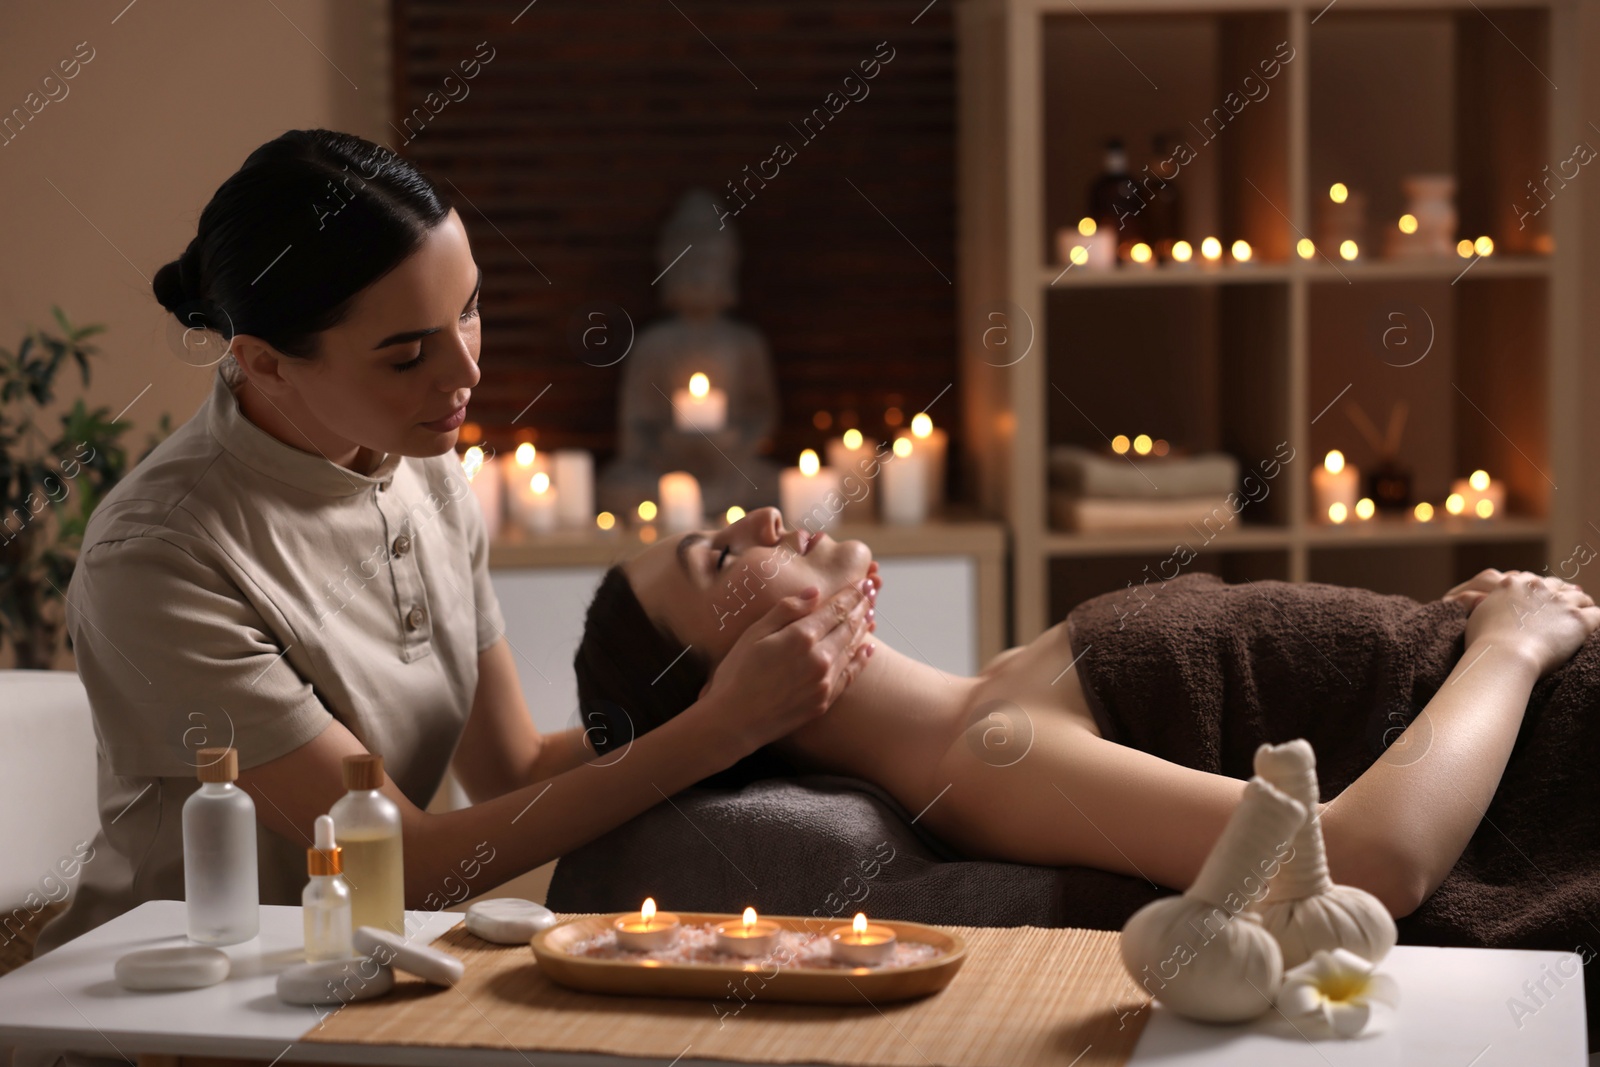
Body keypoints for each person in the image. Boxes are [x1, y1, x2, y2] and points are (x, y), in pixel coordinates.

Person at [34, 130, 877, 976]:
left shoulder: (422, 472)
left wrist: (740, 685)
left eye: (470, 308)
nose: (466, 368)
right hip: (171, 1009)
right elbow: (408, 862)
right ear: (264, 364)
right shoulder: (161, 558)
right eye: (407, 354)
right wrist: (718, 729)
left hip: (350, 979)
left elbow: (510, 767)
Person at [574, 504, 1600, 919]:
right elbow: (1359, 863)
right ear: (732, 681)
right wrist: (1509, 646)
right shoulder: (989, 755)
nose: (754, 514)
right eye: (715, 554)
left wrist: (1433, 647)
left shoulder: (999, 692)